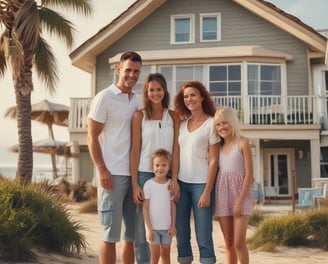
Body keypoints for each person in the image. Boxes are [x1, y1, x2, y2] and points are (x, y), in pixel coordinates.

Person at [87, 51, 142, 264]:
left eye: (136, 71)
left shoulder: (138, 101)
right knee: (110, 235)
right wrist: (102, 169)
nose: (132, 75)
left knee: (131, 236)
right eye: (128, 70)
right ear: (118, 70)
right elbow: (91, 136)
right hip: (112, 175)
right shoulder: (104, 98)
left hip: (135, 177)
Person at [130, 72, 180, 264]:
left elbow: (176, 149)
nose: (155, 93)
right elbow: (135, 151)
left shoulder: (173, 116)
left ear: (164, 91)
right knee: (142, 226)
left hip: (167, 173)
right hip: (144, 173)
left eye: (159, 89)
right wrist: (135, 184)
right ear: (146, 91)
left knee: (166, 215)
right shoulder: (139, 116)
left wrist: (174, 178)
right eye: (151, 89)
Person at [174, 81, 220, 264]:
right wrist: (175, 181)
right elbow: (176, 155)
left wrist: (208, 191)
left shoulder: (211, 123)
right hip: (181, 185)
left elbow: (214, 160)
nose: (189, 99)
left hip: (201, 185)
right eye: (186, 96)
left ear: (202, 97)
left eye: (193, 95)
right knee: (181, 235)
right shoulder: (182, 125)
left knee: (203, 235)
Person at [213, 107, 254, 264]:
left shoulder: (243, 143)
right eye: (218, 125)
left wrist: (239, 201)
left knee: (238, 242)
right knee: (229, 241)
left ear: (232, 123)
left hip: (241, 195)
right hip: (223, 194)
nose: (222, 127)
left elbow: (249, 175)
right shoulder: (218, 148)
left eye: (225, 123)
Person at [143, 148, 177, 264]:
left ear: (169, 166)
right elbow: (145, 207)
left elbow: (172, 206)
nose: (160, 168)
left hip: (167, 228)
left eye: (164, 165)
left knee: (166, 255)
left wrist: (173, 225)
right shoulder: (149, 185)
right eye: (157, 165)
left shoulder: (170, 185)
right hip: (153, 229)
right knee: (155, 257)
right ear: (152, 167)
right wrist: (149, 229)